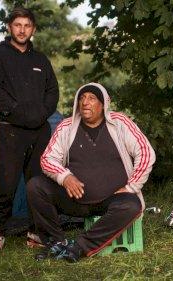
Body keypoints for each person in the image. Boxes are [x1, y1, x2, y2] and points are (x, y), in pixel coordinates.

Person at [26, 83, 155, 262]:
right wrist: (65, 177)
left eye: (91, 98)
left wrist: (132, 186)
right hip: (75, 200)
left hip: (112, 199)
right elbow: (47, 159)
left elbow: (146, 152)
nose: (85, 102)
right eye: (82, 98)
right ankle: (56, 243)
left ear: (103, 104)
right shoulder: (66, 126)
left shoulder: (119, 122)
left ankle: (78, 247)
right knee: (35, 186)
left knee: (132, 205)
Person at [0, 6, 59, 252]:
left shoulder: (41, 60)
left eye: (27, 25)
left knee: (38, 183)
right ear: (9, 27)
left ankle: (35, 232)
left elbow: (52, 92)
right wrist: (22, 114)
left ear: (33, 29)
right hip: (10, 130)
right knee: (6, 185)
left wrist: (41, 114)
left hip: (39, 131)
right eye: (18, 25)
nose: (22, 30)